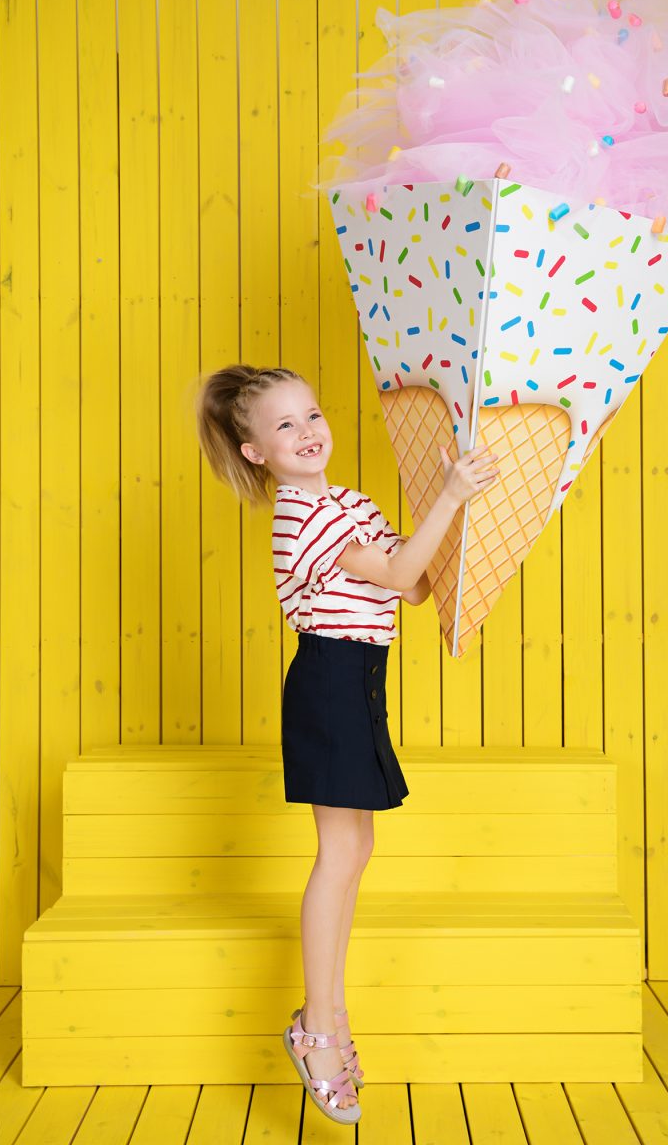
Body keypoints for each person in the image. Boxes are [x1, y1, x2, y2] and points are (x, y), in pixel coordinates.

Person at [196, 364, 498, 1125]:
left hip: (359, 677)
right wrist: (448, 500)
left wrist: (454, 507)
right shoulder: (303, 516)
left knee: (355, 850)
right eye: (285, 425)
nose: (307, 432)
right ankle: (319, 1031)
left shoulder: (350, 504)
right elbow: (398, 568)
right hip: (330, 681)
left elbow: (415, 586)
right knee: (339, 855)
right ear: (257, 452)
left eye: (312, 414)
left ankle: (324, 1017)